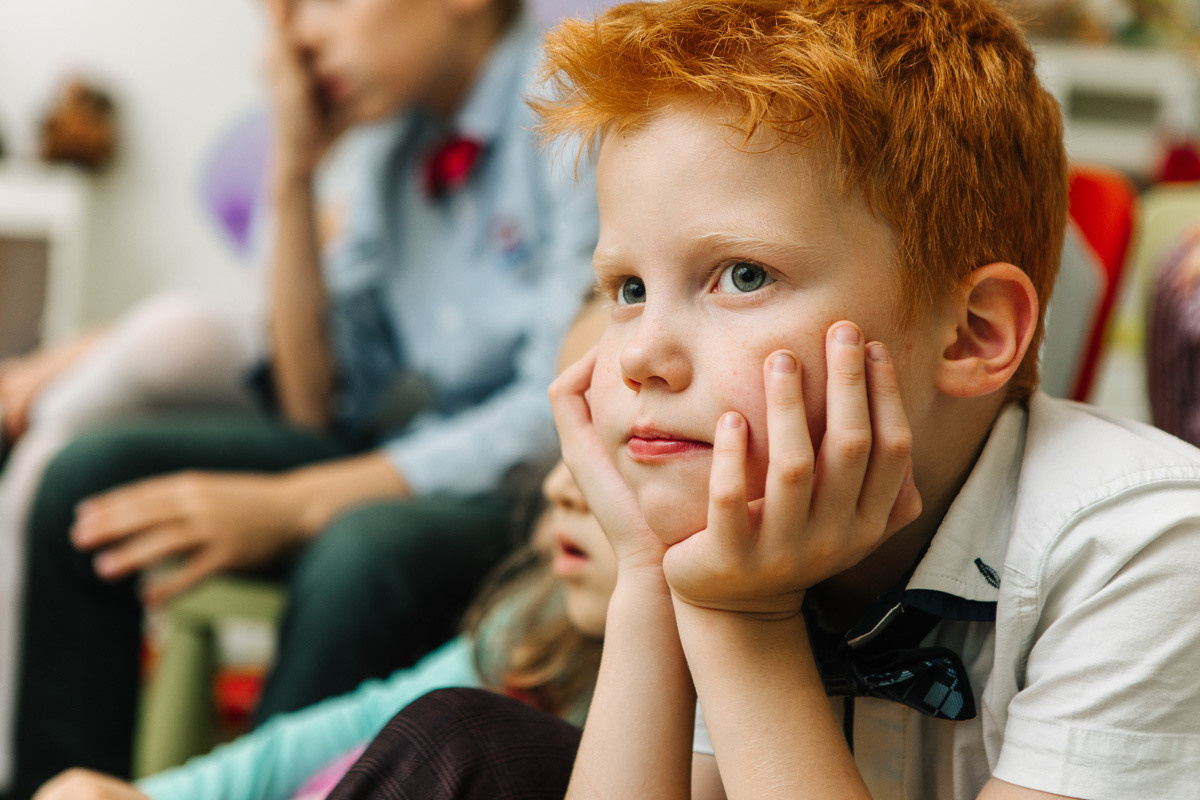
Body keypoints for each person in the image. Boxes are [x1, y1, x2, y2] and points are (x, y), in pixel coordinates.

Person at [314, 0, 1200, 798]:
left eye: (742, 275)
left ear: (971, 334)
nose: (642, 355)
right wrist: (649, 577)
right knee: (466, 739)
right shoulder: (743, 518)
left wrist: (744, 620)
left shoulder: (1147, 547)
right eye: (628, 289)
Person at [4, 0, 598, 793]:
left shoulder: (576, 103)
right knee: (83, 476)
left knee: (361, 550)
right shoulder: (393, 140)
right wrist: (293, 169)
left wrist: (297, 504)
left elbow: (548, 415)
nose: (301, 35)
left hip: (533, 486)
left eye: (326, 1)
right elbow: (316, 403)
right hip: (408, 452)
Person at [28, 454, 613, 800]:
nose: (558, 486)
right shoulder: (536, 619)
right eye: (563, 441)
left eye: (617, 451)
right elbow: (362, 722)